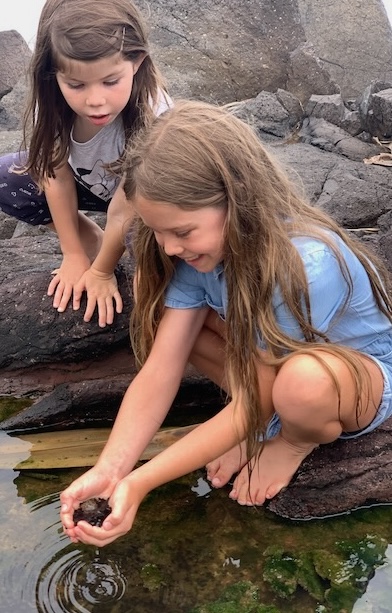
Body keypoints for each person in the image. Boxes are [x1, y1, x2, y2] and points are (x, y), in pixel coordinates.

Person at [60, 100, 392, 547]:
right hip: (265, 365)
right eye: (157, 231)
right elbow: (161, 370)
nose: (170, 247)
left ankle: (290, 441)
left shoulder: (305, 266)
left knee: (302, 385)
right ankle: (254, 425)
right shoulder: (193, 258)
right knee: (158, 307)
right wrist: (111, 468)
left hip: (352, 380)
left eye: (183, 231)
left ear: (236, 200)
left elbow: (261, 392)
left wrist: (140, 483)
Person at [0, 0, 169, 327]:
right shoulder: (52, 104)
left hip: (141, 198)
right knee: (6, 178)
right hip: (88, 185)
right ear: (54, 76)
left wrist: (103, 271)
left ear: (136, 61)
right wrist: (74, 255)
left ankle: (113, 248)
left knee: (152, 250)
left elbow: (128, 202)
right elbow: (56, 177)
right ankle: (91, 238)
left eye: (110, 81)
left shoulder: (154, 110)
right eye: (76, 85)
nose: (95, 100)